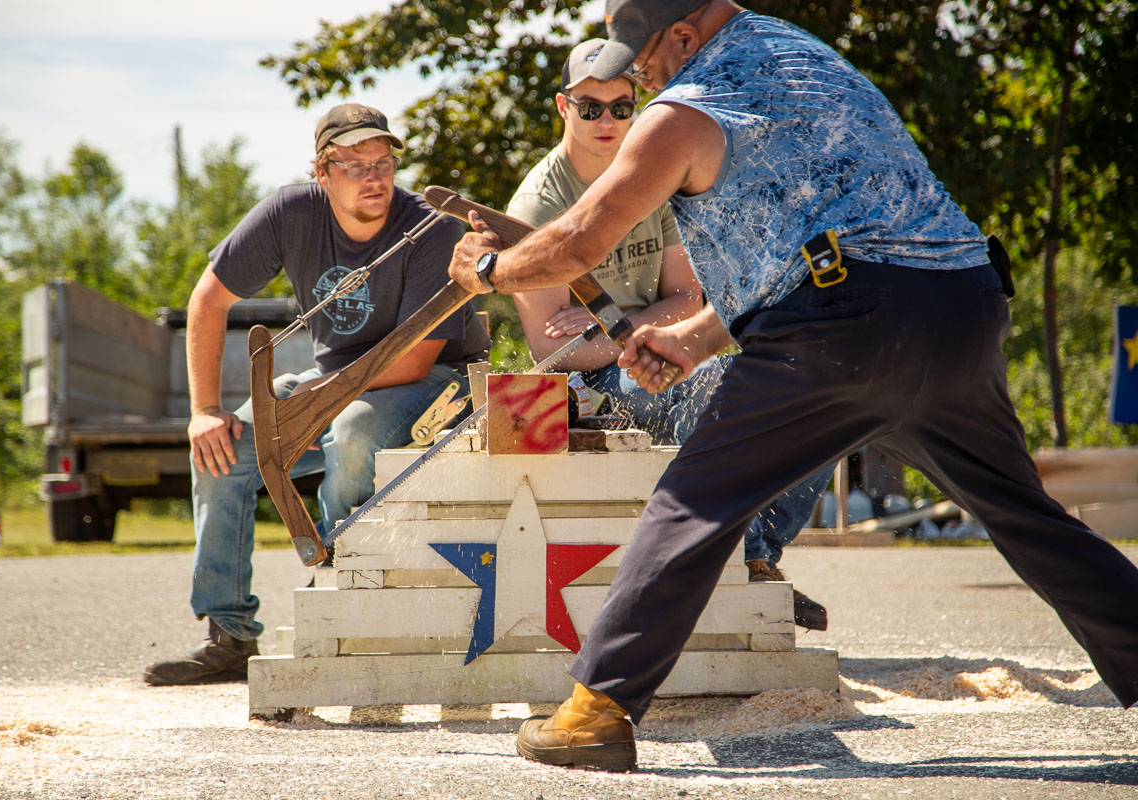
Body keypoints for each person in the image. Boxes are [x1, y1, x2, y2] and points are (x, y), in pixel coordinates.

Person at [449, 0, 1138, 771]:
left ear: (683, 35)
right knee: (1027, 518)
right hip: (960, 304)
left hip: (844, 327)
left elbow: (577, 243)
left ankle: (594, 715)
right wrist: (691, 337)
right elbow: (813, 230)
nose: (640, 84)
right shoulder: (799, 54)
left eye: (642, 65)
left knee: (695, 501)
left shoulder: (682, 113)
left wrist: (488, 270)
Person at [144, 103, 490, 686]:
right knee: (220, 451)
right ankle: (230, 636)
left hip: (435, 382)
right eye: (356, 166)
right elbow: (208, 299)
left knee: (353, 436)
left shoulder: (432, 226)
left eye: (383, 162)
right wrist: (205, 412)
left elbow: (414, 357)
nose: (375, 177)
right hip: (334, 382)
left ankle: (339, 613)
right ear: (322, 172)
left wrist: (317, 395)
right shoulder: (290, 212)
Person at [506, 38, 831, 629]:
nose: (607, 121)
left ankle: (755, 555)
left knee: (814, 388)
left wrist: (624, 324)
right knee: (713, 391)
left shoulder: (647, 175)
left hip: (653, 346)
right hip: (595, 382)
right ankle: (744, 565)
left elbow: (688, 297)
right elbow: (555, 350)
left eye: (621, 107)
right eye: (590, 107)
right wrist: (642, 331)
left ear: (638, 106)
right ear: (562, 108)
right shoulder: (539, 204)